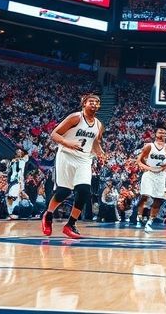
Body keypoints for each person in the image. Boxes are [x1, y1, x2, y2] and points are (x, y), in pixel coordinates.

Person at [41, 94, 104, 239]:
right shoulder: (76, 117)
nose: (94, 104)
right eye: (91, 102)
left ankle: (70, 224)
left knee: (84, 191)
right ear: (84, 104)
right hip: (66, 155)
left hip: (84, 159)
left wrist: (100, 152)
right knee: (64, 192)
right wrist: (68, 143)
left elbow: (95, 142)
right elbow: (54, 134)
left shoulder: (99, 125)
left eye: (97, 102)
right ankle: (48, 215)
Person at [135, 125, 166, 232]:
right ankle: (139, 217)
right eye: (160, 132)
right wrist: (147, 167)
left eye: (164, 133)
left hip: (161, 175)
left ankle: (150, 221)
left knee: (158, 199)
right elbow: (139, 160)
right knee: (145, 196)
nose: (162, 134)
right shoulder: (149, 146)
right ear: (155, 134)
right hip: (149, 173)